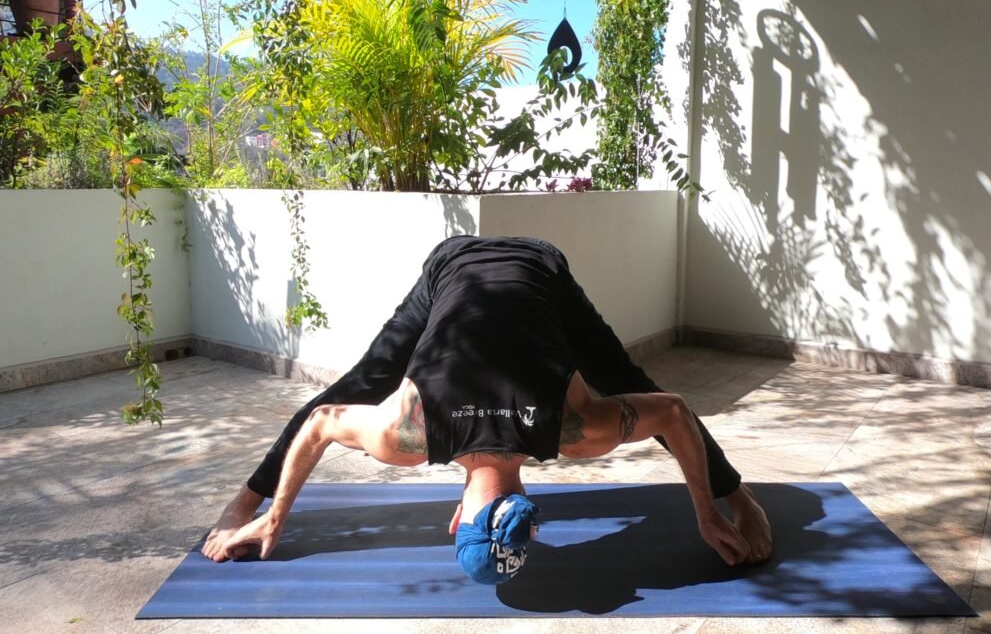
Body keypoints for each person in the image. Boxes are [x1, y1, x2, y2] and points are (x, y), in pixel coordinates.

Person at [202, 236, 772, 583]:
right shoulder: (410, 434)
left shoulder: (571, 430)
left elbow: (671, 410)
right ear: (454, 522)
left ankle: (741, 499)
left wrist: (710, 512)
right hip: (496, 268)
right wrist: (276, 517)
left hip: (509, 266)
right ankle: (247, 502)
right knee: (362, 382)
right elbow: (323, 426)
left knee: (627, 381)